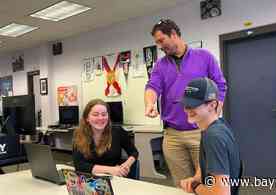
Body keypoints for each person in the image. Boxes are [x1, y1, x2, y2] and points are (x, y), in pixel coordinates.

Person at [144, 19, 227, 187]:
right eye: (157, 42)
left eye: (161, 40)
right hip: (172, 135)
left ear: (173, 35)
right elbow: (152, 87)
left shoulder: (204, 56)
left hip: (201, 133)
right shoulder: (160, 64)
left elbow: (220, 85)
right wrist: (149, 103)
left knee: (208, 183)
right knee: (182, 185)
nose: (160, 46)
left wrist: (214, 116)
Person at [180, 78, 241, 195]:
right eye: (185, 104)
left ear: (212, 105)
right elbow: (208, 162)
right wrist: (196, 178)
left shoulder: (213, 137)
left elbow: (221, 193)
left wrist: (194, 186)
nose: (187, 109)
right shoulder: (215, 126)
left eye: (193, 105)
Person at [72, 99, 138, 177]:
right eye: (95, 114)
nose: (100, 118)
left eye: (104, 114)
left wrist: (125, 165)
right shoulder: (79, 134)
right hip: (90, 180)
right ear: (87, 118)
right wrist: (111, 170)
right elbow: (79, 165)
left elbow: (134, 152)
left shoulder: (117, 131)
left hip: (115, 179)